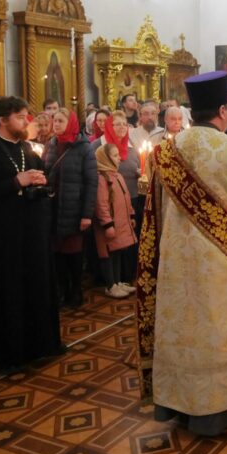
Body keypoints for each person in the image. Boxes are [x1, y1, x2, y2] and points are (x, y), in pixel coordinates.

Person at [137, 71, 227, 436]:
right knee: (218, 330)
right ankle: (225, 409)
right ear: (224, 111)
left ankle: (179, 406)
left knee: (183, 329)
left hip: (175, 264)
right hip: (222, 262)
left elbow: (154, 211)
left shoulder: (164, 152)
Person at [0, 96, 64, 371]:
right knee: (9, 291)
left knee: (35, 286)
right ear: (3, 120)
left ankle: (40, 345)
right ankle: (9, 353)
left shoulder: (27, 149)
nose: (26, 121)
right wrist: (15, 182)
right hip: (1, 238)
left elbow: (41, 180)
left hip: (31, 234)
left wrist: (42, 182)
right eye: (20, 117)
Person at [44, 108, 97, 308]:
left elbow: (91, 183)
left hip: (74, 209)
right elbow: (46, 172)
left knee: (73, 253)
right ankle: (61, 289)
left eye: (60, 121)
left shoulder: (84, 148)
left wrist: (86, 215)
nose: (56, 124)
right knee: (57, 252)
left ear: (71, 123)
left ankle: (75, 290)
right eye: (54, 120)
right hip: (54, 208)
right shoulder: (51, 144)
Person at [91, 112, 141, 282]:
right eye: (117, 124)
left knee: (126, 243)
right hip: (108, 202)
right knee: (111, 244)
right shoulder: (99, 147)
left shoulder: (132, 147)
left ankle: (124, 278)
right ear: (109, 126)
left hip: (130, 199)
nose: (122, 127)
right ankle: (110, 281)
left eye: (124, 124)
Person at [93, 144, 137, 299]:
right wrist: (107, 224)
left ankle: (117, 282)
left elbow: (126, 197)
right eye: (115, 155)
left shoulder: (117, 176)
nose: (119, 158)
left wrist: (131, 215)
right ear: (105, 158)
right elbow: (101, 204)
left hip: (120, 221)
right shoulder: (101, 178)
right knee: (108, 254)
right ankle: (110, 285)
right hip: (109, 224)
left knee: (118, 250)